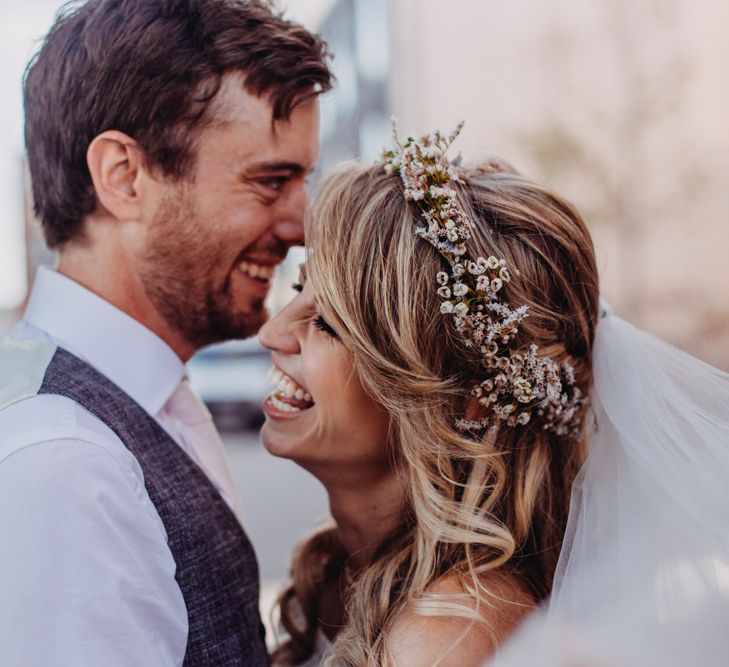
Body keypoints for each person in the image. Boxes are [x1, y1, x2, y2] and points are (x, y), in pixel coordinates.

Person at [259, 124, 729, 666]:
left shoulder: (446, 637)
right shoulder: (343, 570)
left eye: (327, 324)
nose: (272, 332)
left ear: (464, 402)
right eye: (299, 289)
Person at [0, 1, 331, 665]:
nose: (303, 224)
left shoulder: (140, 397)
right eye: (270, 181)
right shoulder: (67, 464)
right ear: (124, 177)